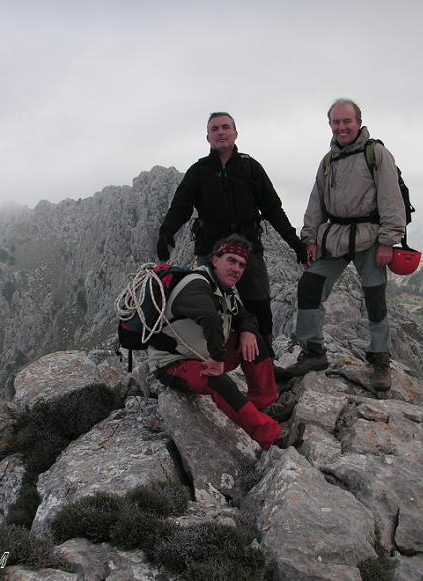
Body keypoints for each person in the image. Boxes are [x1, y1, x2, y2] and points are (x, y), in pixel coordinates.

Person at [156, 112, 307, 360]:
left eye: (226, 127)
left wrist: (296, 245)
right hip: (211, 253)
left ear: (236, 133)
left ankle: (264, 360)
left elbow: (273, 209)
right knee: (209, 308)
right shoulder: (198, 172)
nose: (221, 132)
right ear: (208, 137)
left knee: (259, 306)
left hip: (248, 252)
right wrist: (166, 232)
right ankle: (209, 358)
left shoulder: (250, 168)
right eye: (215, 129)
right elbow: (180, 207)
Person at [281, 99, 406, 390]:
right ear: (330, 125)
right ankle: (313, 352)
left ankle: (380, 360)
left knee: (375, 298)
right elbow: (316, 203)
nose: (341, 127)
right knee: (309, 287)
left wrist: (388, 241)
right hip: (334, 237)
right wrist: (309, 238)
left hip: (371, 237)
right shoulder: (327, 162)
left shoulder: (377, 154)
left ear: (359, 122)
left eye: (346, 121)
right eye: (336, 122)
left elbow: (391, 199)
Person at [148, 235, 292, 450]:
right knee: (219, 381)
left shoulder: (223, 290)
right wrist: (217, 359)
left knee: (253, 341)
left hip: (200, 354)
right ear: (215, 260)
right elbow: (209, 317)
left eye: (241, 264)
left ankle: (264, 405)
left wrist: (246, 330)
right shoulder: (196, 283)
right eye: (231, 260)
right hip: (173, 363)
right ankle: (268, 436)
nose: (236, 268)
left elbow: (245, 315)